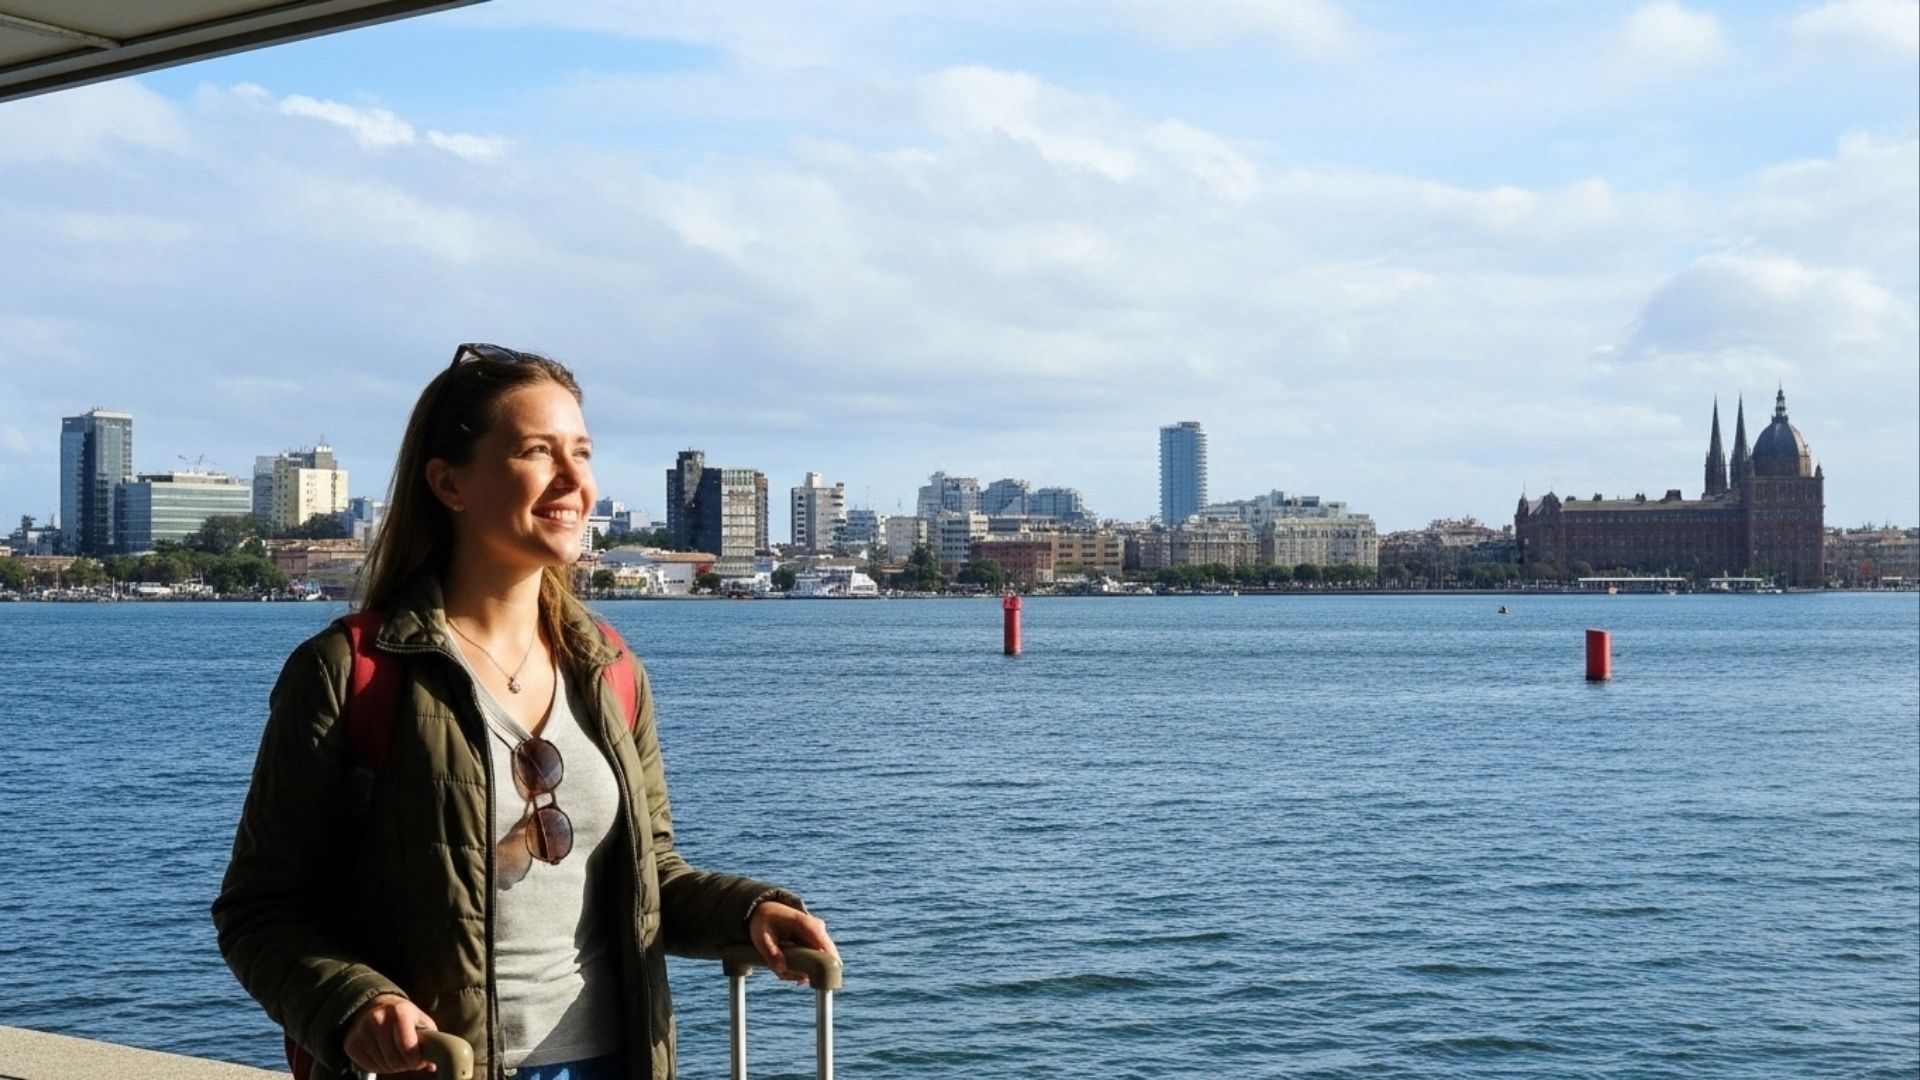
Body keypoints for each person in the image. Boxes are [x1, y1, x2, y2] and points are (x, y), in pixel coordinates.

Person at [214, 343, 836, 1080]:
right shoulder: (350, 673)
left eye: (582, 453)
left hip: (612, 1062)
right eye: (540, 453)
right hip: (444, 1068)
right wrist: (355, 1003)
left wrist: (748, 912)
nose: (576, 482)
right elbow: (260, 910)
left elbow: (650, 875)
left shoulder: (612, 672)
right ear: (449, 483)